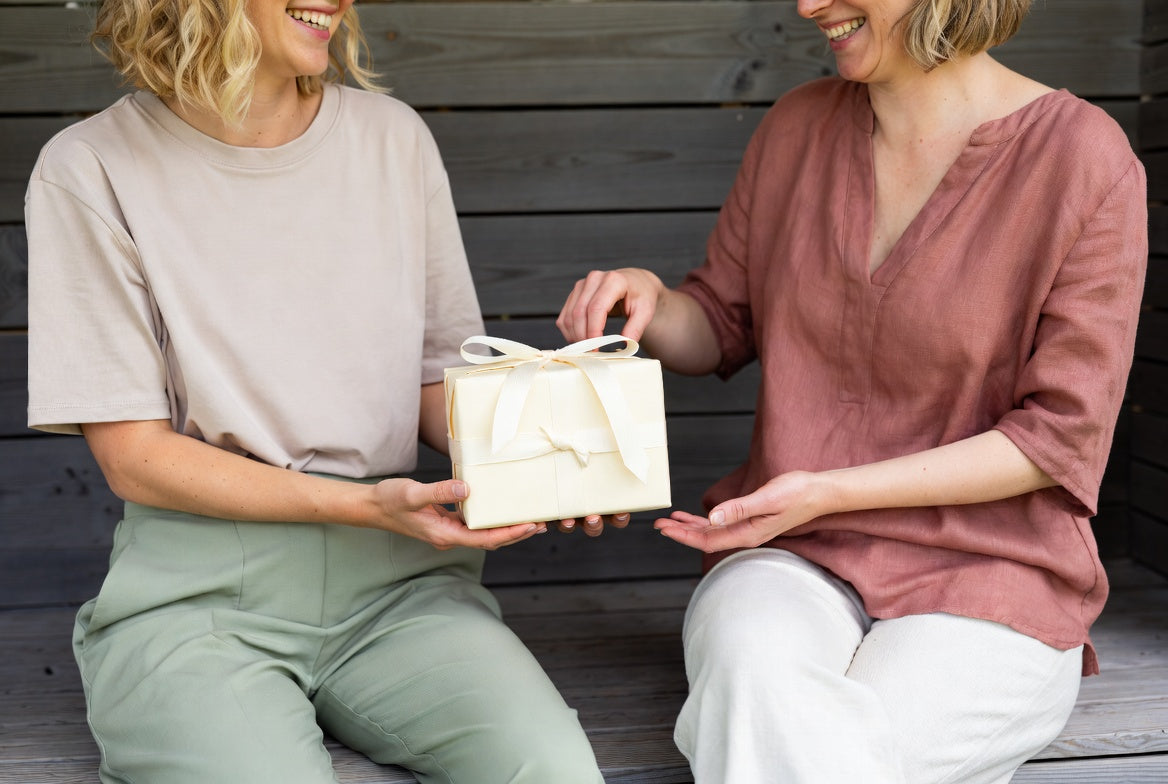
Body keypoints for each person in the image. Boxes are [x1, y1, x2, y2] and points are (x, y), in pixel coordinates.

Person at [556, 0, 1147, 781]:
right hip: (791, 556)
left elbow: (1058, 440)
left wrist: (829, 490)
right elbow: (722, 324)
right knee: (756, 680)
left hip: (993, 572)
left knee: (809, 750)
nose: (808, 4)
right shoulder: (795, 128)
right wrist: (653, 303)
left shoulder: (1084, 159)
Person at [25, 1, 605, 782]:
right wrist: (362, 506)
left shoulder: (394, 139)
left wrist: (560, 463)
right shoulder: (89, 166)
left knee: (552, 768)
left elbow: (436, 384)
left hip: (403, 592)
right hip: (195, 606)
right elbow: (134, 458)